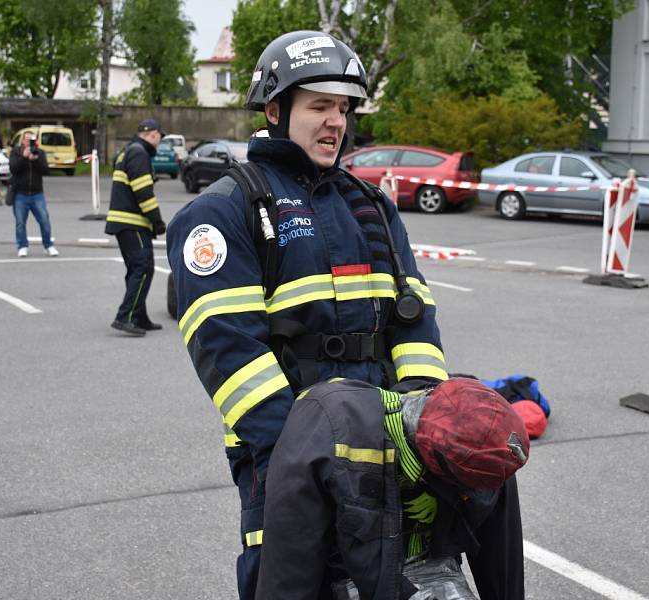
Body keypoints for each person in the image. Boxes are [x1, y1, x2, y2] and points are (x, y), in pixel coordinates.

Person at [167, 30, 520, 599]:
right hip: (284, 454)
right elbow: (226, 348)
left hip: (388, 439)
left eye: (343, 107)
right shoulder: (224, 212)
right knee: (288, 583)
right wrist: (305, 456)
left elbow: (414, 317)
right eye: (320, 106)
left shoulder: (371, 205)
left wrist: (422, 425)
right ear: (276, 110)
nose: (336, 121)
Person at [255, 377, 530, 600]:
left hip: (425, 569)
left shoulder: (488, 444)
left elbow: (501, 556)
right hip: (344, 578)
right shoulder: (327, 434)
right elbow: (289, 568)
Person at [106, 118, 167, 336]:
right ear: (153, 134)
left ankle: (139, 316)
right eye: (160, 136)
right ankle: (125, 316)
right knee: (142, 268)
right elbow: (142, 190)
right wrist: (157, 220)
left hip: (126, 222)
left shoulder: (129, 150)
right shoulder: (139, 152)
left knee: (137, 269)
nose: (159, 141)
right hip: (132, 222)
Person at [9, 131, 58, 258]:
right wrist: (24, 158)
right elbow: (13, 169)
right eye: (27, 140)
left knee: (44, 220)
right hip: (20, 193)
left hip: (37, 193)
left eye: (31, 140)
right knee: (20, 222)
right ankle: (22, 246)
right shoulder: (16, 152)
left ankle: (48, 245)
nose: (29, 142)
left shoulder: (39, 152)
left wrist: (35, 161)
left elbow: (46, 171)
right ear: (22, 141)